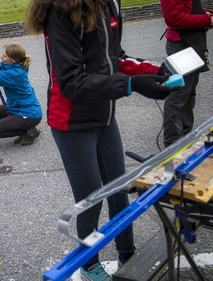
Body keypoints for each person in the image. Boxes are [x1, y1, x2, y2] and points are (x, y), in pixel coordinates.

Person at [25, 1, 178, 280]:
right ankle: (89, 262)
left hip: (104, 114)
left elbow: (114, 59)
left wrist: (153, 70)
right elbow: (71, 80)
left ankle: (127, 254)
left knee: (118, 190)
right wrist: (130, 86)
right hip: (71, 121)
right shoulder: (61, 11)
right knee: (91, 198)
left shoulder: (110, 3)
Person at [160, 0, 213, 147]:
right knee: (178, 96)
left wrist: (204, 13)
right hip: (181, 46)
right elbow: (173, 18)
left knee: (189, 95)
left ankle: (185, 140)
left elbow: (187, 8)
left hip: (192, 43)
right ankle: (172, 145)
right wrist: (207, 19)